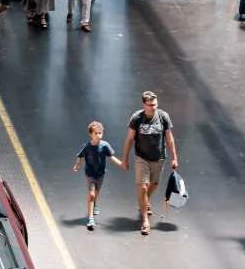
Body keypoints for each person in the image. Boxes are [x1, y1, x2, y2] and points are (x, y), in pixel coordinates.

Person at [121, 90, 179, 236]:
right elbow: (129, 139)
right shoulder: (137, 118)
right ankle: (145, 221)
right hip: (142, 158)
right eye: (150, 105)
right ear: (144, 105)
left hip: (159, 158)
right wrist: (125, 159)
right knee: (143, 187)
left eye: (155, 104)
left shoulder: (163, 117)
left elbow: (169, 138)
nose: (153, 107)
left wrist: (174, 157)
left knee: (154, 185)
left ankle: (144, 201)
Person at [73, 121, 124, 231]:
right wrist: (77, 165)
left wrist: (121, 164)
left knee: (96, 192)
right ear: (91, 134)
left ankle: (95, 203)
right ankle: (91, 218)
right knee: (91, 194)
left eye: (100, 133)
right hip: (90, 174)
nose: (98, 135)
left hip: (100, 174)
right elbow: (80, 156)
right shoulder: (87, 146)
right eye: (96, 133)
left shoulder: (105, 146)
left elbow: (112, 157)